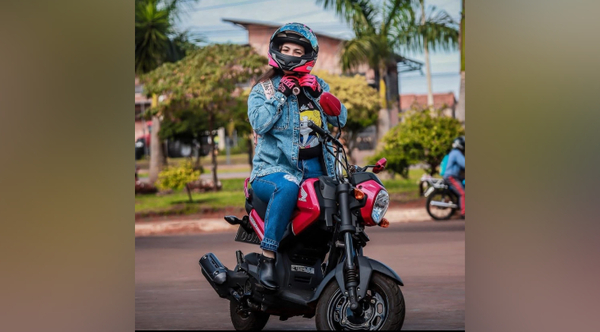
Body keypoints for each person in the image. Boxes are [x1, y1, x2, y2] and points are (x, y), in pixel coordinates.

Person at [247, 22, 348, 290]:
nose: (291, 53)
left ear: (308, 54)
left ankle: (335, 260)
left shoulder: (318, 85)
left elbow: (342, 118)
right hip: (272, 170)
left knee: (341, 197)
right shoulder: (265, 89)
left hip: (317, 167)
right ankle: (268, 256)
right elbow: (260, 124)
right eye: (286, 48)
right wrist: (280, 95)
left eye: (297, 49)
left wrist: (320, 94)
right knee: (288, 186)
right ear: (276, 51)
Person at [443, 136, 465, 219]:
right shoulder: (457, 153)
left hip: (454, 176)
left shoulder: (453, 152)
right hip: (451, 177)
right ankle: (463, 213)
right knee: (463, 193)